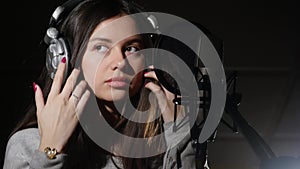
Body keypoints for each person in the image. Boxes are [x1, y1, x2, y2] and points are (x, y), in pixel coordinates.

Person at [3, 0, 205, 168]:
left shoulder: (158, 144)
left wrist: (178, 135)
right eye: (100, 47)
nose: (119, 62)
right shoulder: (28, 144)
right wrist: (51, 151)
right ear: (65, 56)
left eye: (132, 48)